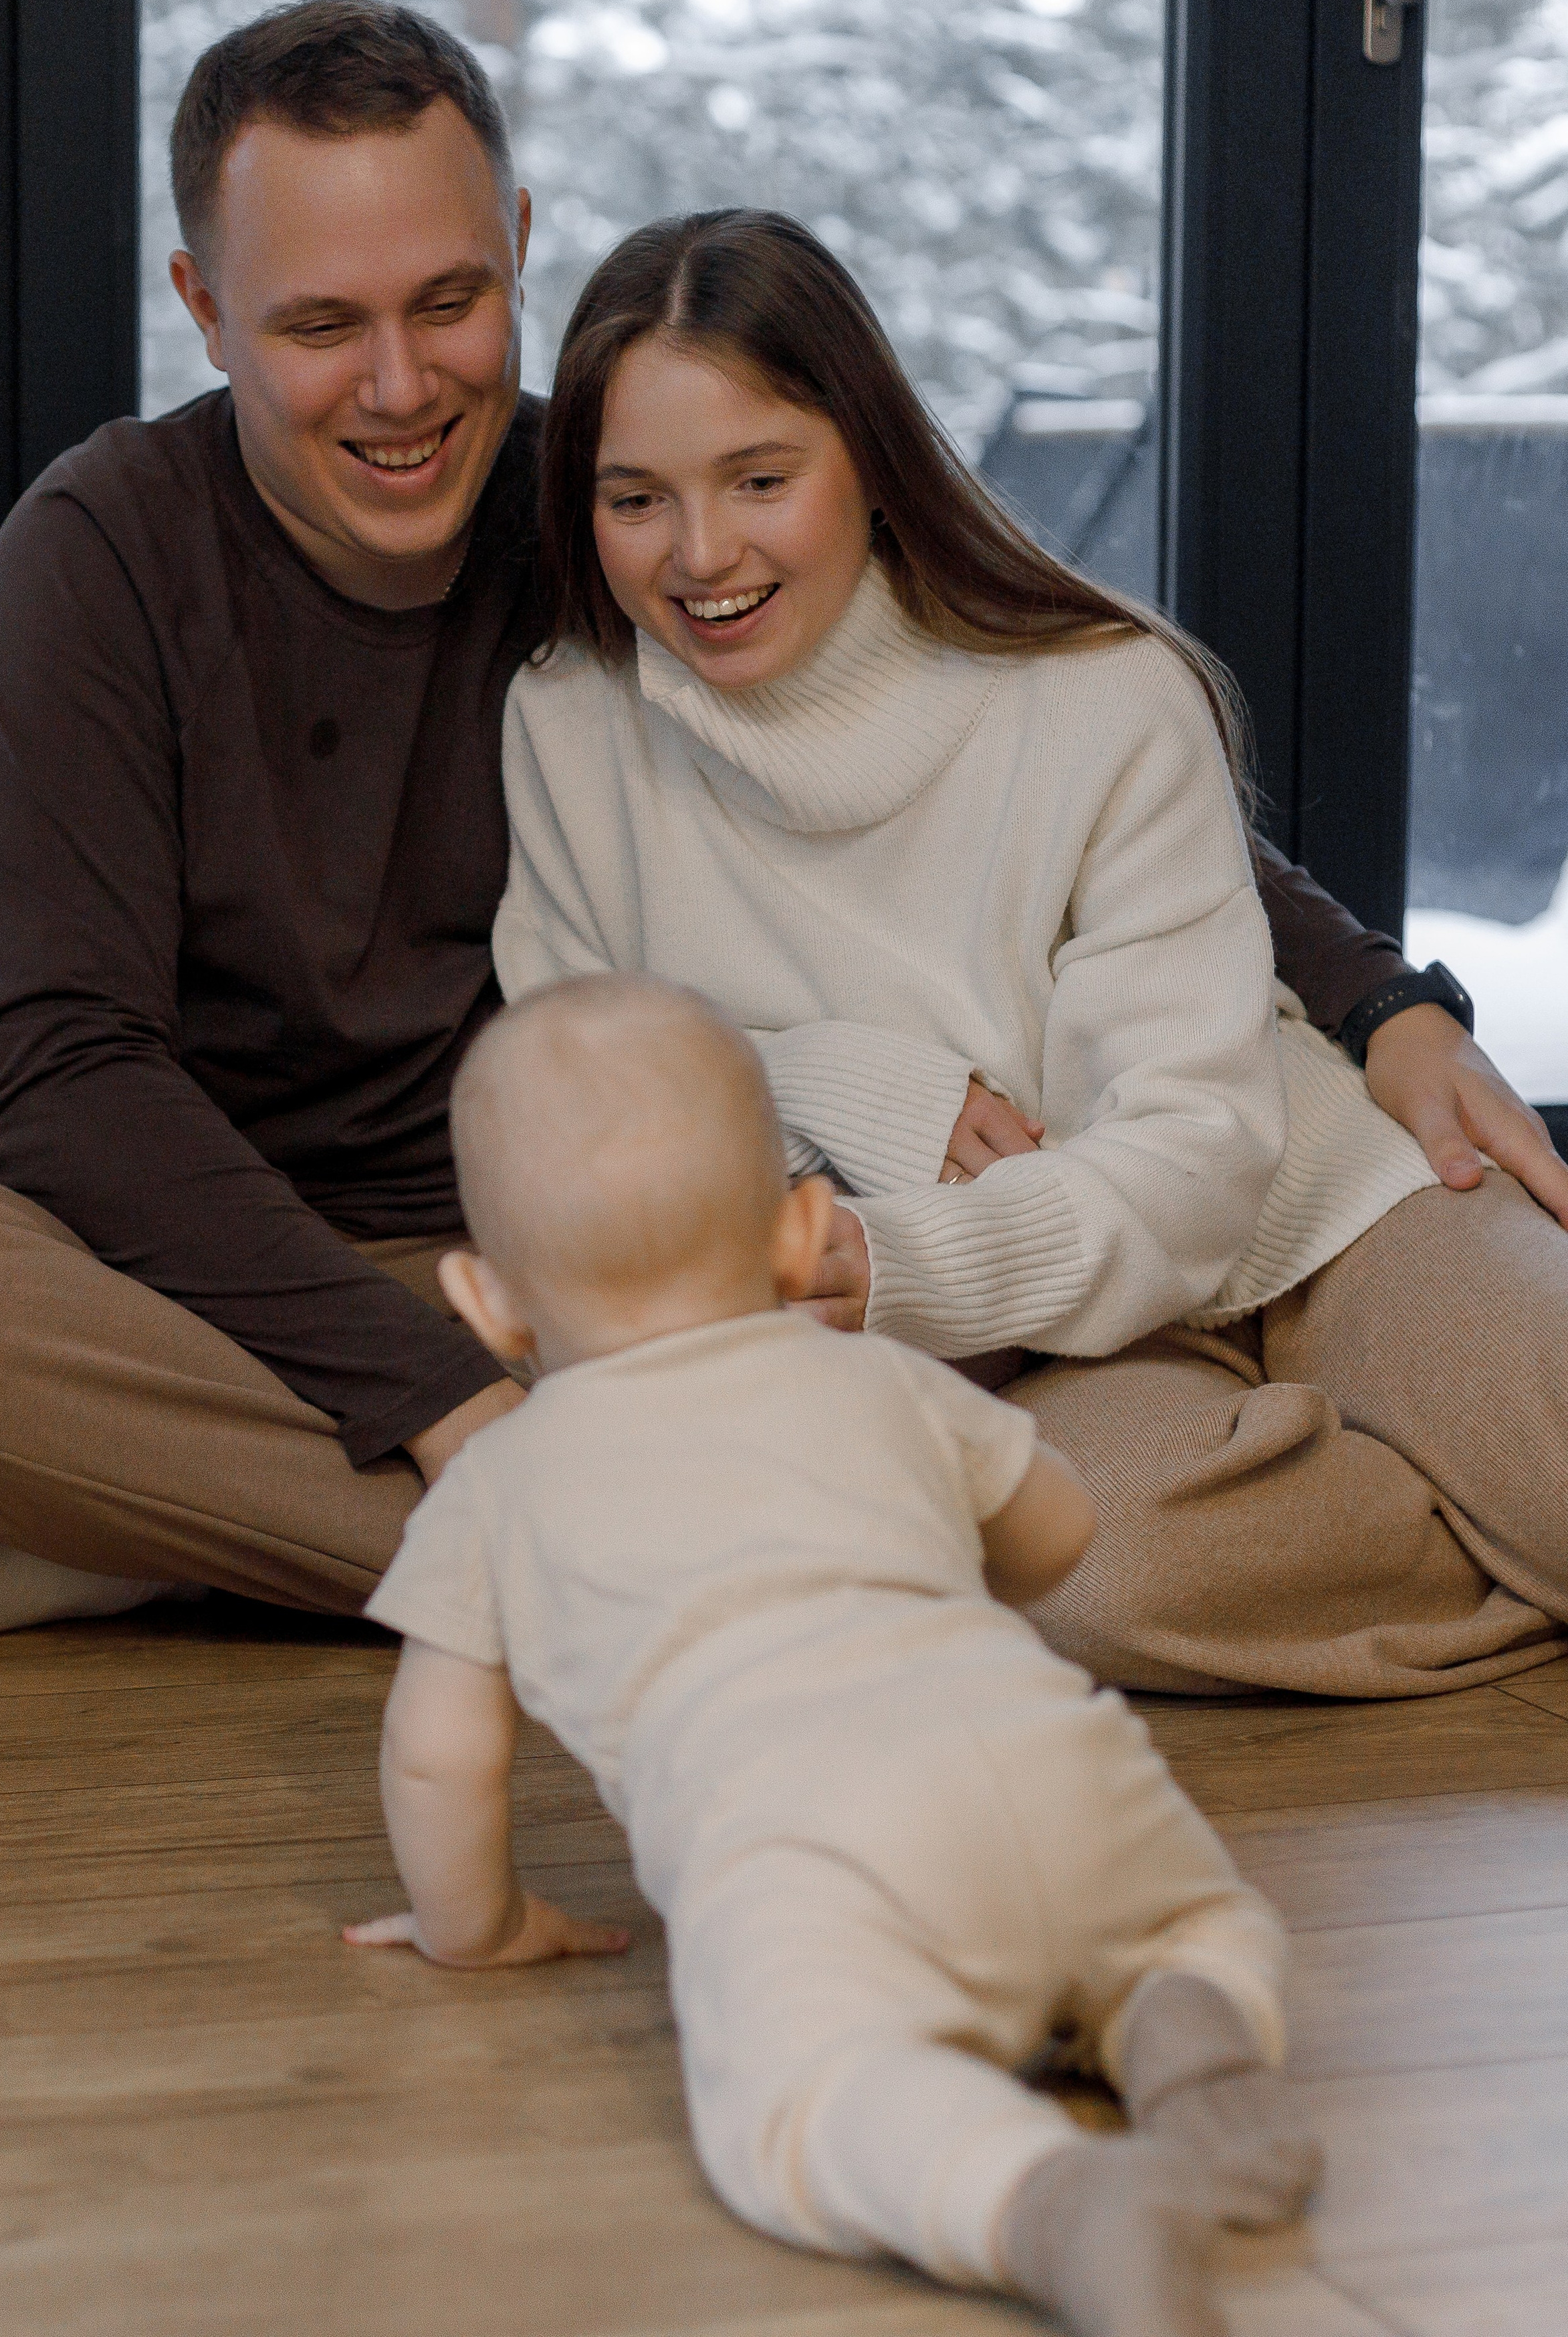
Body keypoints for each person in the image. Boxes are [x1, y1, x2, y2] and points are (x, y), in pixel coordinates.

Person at [0, 0, 1557, 1663]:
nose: (398, 385)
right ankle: (444, 1517)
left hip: (646, 1256)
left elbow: (1063, 739)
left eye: (448, 301)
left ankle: (172, 1536)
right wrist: (430, 1396)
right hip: (270, 1257)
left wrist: (1373, 995)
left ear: (517, 248)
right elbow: (57, 1074)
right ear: (203, 309)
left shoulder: (612, 493)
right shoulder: (121, 555)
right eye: (318, 325)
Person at [494, 207, 1568, 1699]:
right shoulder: (564, 725)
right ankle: (1498, 1533)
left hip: (1304, 1215)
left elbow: (1197, 1162)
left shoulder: (1099, 691)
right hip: (1033, 1334)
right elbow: (584, 1101)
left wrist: (887, 1251)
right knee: (1095, 1572)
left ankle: (1477, 1491)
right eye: (634, 499)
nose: (701, 553)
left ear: (872, 459)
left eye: (760, 479)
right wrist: (822, 1080)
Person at [348, 972, 1320, 2337]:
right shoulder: (882, 1376)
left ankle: (1045, 2201)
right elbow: (1058, 1530)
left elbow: (439, 1757)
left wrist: (480, 1930)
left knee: (804, 2102)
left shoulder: (496, 1484)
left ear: (481, 1300)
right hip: (1059, 1760)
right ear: (804, 1231)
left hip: (807, 1849)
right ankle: (1191, 2039)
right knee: (1191, 1921)